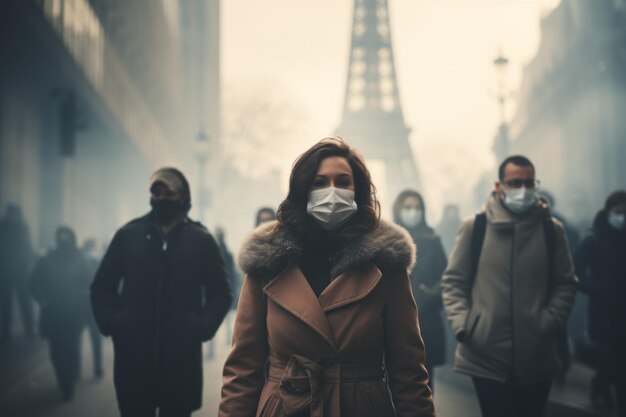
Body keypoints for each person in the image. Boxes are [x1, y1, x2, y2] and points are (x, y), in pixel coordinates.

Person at [219, 138, 435, 417]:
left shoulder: (386, 262)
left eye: (343, 182)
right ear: (303, 190)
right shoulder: (268, 260)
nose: (331, 192)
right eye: (319, 182)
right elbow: (243, 370)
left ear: (358, 191)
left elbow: (408, 370)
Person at [442, 155, 577, 417]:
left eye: (529, 183)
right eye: (515, 183)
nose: (523, 190)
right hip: (485, 356)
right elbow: (453, 281)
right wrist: (464, 324)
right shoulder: (476, 227)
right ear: (499, 186)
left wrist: (549, 321)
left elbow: (566, 282)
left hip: (537, 355)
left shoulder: (552, 229)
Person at [91, 167, 232, 417]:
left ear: (183, 197)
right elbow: (102, 287)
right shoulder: (128, 235)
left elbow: (220, 293)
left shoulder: (201, 240)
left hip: (181, 362)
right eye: (156, 191)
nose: (161, 198)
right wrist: (115, 323)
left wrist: (200, 326)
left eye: (169, 192)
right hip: (134, 361)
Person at [574, 190, 626, 415]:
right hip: (604, 313)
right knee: (611, 359)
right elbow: (576, 272)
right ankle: (603, 387)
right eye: (618, 212)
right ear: (608, 211)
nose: (622, 217)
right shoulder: (593, 239)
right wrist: (595, 288)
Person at [393, 190, 447, 393]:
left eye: (417, 207)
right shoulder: (389, 238)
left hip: (426, 320)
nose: (413, 212)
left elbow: (446, 275)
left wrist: (432, 294)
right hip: (394, 323)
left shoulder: (432, 239)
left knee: (425, 384)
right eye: (408, 207)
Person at [31, 226, 91, 401]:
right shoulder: (47, 260)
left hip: (73, 313)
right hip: (54, 312)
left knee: (71, 347)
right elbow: (33, 283)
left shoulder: (80, 259)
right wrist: (42, 298)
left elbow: (90, 282)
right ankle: (64, 379)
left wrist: (81, 298)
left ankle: (69, 381)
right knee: (56, 350)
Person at [0, 204, 35, 343]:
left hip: (20, 270)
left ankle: (29, 329)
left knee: (24, 301)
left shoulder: (22, 228)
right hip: (7, 270)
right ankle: (6, 331)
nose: (12, 216)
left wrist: (28, 265)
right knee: (6, 302)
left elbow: (28, 248)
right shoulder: (5, 227)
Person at [82, 238, 104, 378]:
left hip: (79, 304)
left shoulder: (79, 259)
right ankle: (97, 367)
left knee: (74, 339)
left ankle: (75, 369)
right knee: (96, 338)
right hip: (94, 305)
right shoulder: (100, 260)